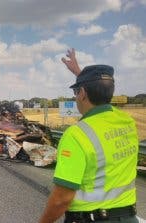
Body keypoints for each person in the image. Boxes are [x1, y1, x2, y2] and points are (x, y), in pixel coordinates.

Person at [39, 48, 139, 223]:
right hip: (129, 218)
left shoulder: (77, 134)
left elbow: (62, 198)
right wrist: (81, 75)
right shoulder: (127, 122)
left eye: (77, 92)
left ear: (82, 93)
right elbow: (100, 90)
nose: (76, 96)